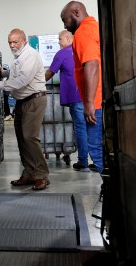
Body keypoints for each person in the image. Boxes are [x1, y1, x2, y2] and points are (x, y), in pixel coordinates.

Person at [0, 29, 50, 191]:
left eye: (15, 42)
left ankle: (41, 175)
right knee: (21, 138)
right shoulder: (19, 57)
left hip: (34, 100)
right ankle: (29, 173)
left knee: (30, 137)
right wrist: (4, 72)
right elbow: (15, 74)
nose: (12, 45)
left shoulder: (30, 55)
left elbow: (22, 81)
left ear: (24, 41)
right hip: (23, 101)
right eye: (10, 42)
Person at [60, 1, 104, 176]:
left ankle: (109, 190)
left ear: (76, 12)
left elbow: (92, 65)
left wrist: (89, 103)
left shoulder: (83, 32)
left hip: (96, 101)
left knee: (95, 148)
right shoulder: (96, 27)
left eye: (65, 20)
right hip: (100, 98)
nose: (64, 25)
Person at [44, 31, 95, 172]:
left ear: (67, 38)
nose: (59, 42)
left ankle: (83, 162)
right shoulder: (82, 50)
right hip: (89, 97)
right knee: (92, 128)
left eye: (60, 39)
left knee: (81, 129)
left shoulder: (62, 53)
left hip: (76, 97)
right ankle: (97, 161)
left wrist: (36, 84)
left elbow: (49, 73)